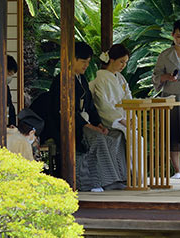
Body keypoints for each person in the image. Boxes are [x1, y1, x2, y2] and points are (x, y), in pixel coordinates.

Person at [47, 41, 127, 192]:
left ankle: (119, 177)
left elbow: (90, 106)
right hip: (68, 125)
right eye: (83, 62)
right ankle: (96, 182)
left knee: (115, 135)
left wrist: (98, 124)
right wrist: (87, 125)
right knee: (98, 138)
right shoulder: (61, 80)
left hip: (84, 122)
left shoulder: (81, 79)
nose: (86, 66)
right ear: (73, 59)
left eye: (88, 62)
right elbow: (64, 110)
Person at [153, 20, 180, 179]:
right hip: (171, 95)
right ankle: (177, 170)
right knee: (173, 132)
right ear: (172, 36)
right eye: (178, 36)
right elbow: (155, 76)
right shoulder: (165, 55)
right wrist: (167, 77)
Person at [90, 44, 133, 132]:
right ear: (112, 60)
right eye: (121, 61)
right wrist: (120, 120)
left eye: (126, 62)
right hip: (113, 121)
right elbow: (103, 104)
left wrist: (131, 118)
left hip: (125, 118)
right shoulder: (101, 78)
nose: (124, 65)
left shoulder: (120, 77)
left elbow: (128, 97)